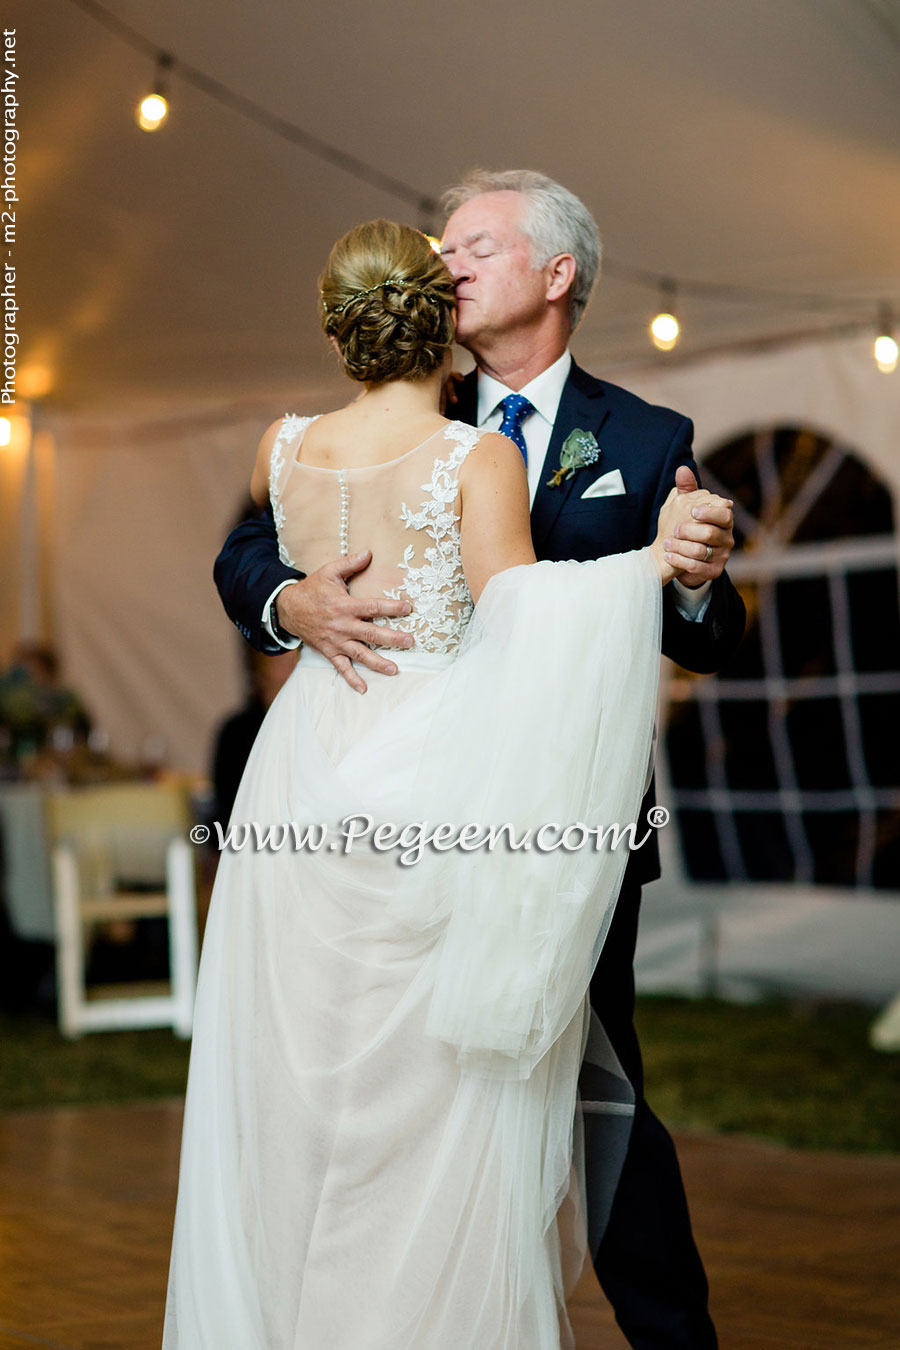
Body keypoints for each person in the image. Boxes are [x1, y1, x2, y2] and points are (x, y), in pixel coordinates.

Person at [164, 218, 732, 1349]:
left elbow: (709, 636)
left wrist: (690, 572)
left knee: (583, 1092)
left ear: (557, 273)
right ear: (429, 310)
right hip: (443, 788)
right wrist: (291, 601)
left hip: (460, 803)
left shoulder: (646, 432)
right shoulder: (466, 445)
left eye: (481, 238)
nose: (459, 256)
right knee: (395, 1089)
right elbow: (252, 555)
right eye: (447, 249)